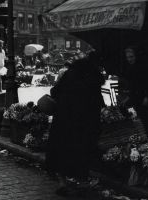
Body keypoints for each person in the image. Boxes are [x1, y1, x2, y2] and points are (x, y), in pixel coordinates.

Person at [45, 51, 105, 196]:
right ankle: (83, 181)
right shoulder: (94, 77)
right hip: (85, 122)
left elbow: (54, 91)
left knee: (61, 150)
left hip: (64, 119)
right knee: (82, 151)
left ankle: (62, 182)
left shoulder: (69, 73)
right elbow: (98, 101)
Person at [118, 46, 148, 143]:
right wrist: (128, 98)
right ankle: (147, 141)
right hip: (138, 99)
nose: (129, 59)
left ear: (136, 56)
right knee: (142, 121)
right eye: (128, 57)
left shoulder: (144, 67)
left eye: (131, 57)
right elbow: (133, 86)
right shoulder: (130, 68)